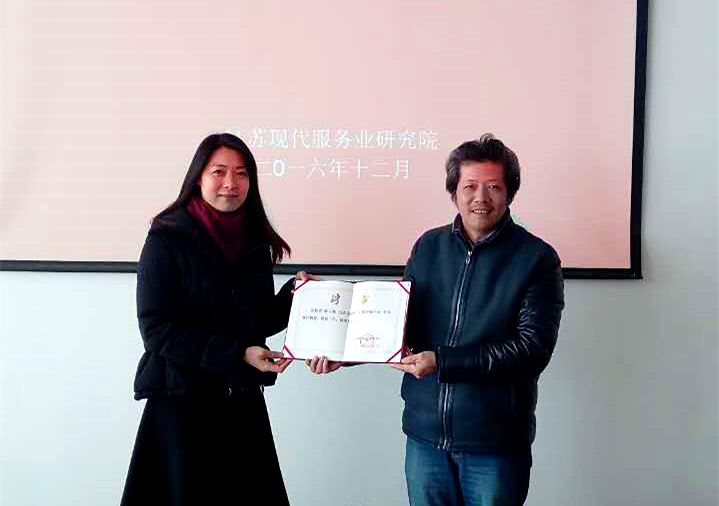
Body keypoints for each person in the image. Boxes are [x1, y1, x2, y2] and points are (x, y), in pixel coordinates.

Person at [308, 134, 564, 506]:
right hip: (425, 438)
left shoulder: (537, 259)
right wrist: (343, 352)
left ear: (510, 192)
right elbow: (399, 324)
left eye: (493, 187)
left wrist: (441, 362)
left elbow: (530, 351)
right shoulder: (428, 246)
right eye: (469, 186)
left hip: (494, 442)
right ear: (453, 192)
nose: (480, 197)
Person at [121, 133, 311, 506]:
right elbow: (157, 330)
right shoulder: (166, 238)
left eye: (241, 173)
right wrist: (239, 353)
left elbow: (256, 319)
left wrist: (296, 295)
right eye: (219, 172)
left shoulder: (255, 242)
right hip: (181, 404)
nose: (230, 183)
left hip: (240, 402)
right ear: (198, 178)